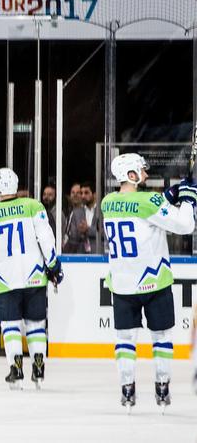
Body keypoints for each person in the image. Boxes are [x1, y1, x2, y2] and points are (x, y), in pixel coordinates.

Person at [101, 153, 195, 411]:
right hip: (154, 281)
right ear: (131, 174)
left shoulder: (107, 202)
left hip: (122, 284)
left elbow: (143, 209)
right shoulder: (149, 201)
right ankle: (162, 388)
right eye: (141, 169)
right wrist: (188, 198)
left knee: (125, 339)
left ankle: (127, 390)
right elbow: (185, 225)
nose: (145, 171)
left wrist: (172, 193)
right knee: (162, 337)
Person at [0, 167, 63, 390]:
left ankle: (16, 366)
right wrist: (53, 266)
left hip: (5, 278)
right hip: (33, 274)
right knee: (36, 324)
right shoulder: (34, 206)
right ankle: (39, 364)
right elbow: (46, 238)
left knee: (10, 325)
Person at [64, 181, 101, 253]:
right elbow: (73, 236)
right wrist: (81, 232)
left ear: (95, 194)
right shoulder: (76, 213)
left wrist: (88, 229)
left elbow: (104, 233)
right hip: (80, 255)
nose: (83, 196)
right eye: (81, 193)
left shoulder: (102, 211)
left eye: (86, 193)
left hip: (99, 254)